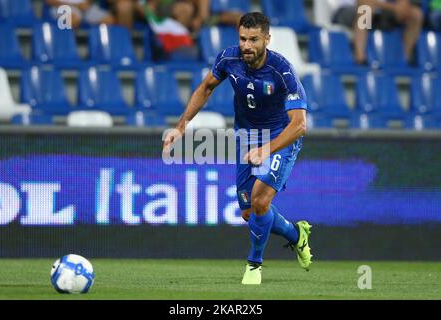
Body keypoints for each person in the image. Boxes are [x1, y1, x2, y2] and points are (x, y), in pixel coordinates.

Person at [162, 12, 312, 285]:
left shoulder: (283, 71)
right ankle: (296, 234)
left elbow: (299, 125)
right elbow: (206, 87)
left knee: (260, 201)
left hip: (281, 137)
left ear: (267, 39)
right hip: (247, 136)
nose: (247, 45)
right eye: (243, 38)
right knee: (249, 212)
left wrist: (266, 149)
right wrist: (181, 126)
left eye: (254, 40)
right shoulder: (228, 59)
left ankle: (254, 265)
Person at [331, 0, 423, 64]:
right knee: (366, 8)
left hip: (379, 11)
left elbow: (403, 5)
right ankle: (360, 59)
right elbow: (364, 1)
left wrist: (402, 8)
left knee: (415, 14)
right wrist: (393, 8)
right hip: (347, 10)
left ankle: (405, 60)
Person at [46, 0, 115, 29]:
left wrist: (87, 3)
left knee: (108, 19)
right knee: (72, 20)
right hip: (62, 7)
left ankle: (96, 49)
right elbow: (49, 1)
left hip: (86, 8)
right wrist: (75, 5)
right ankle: (68, 49)